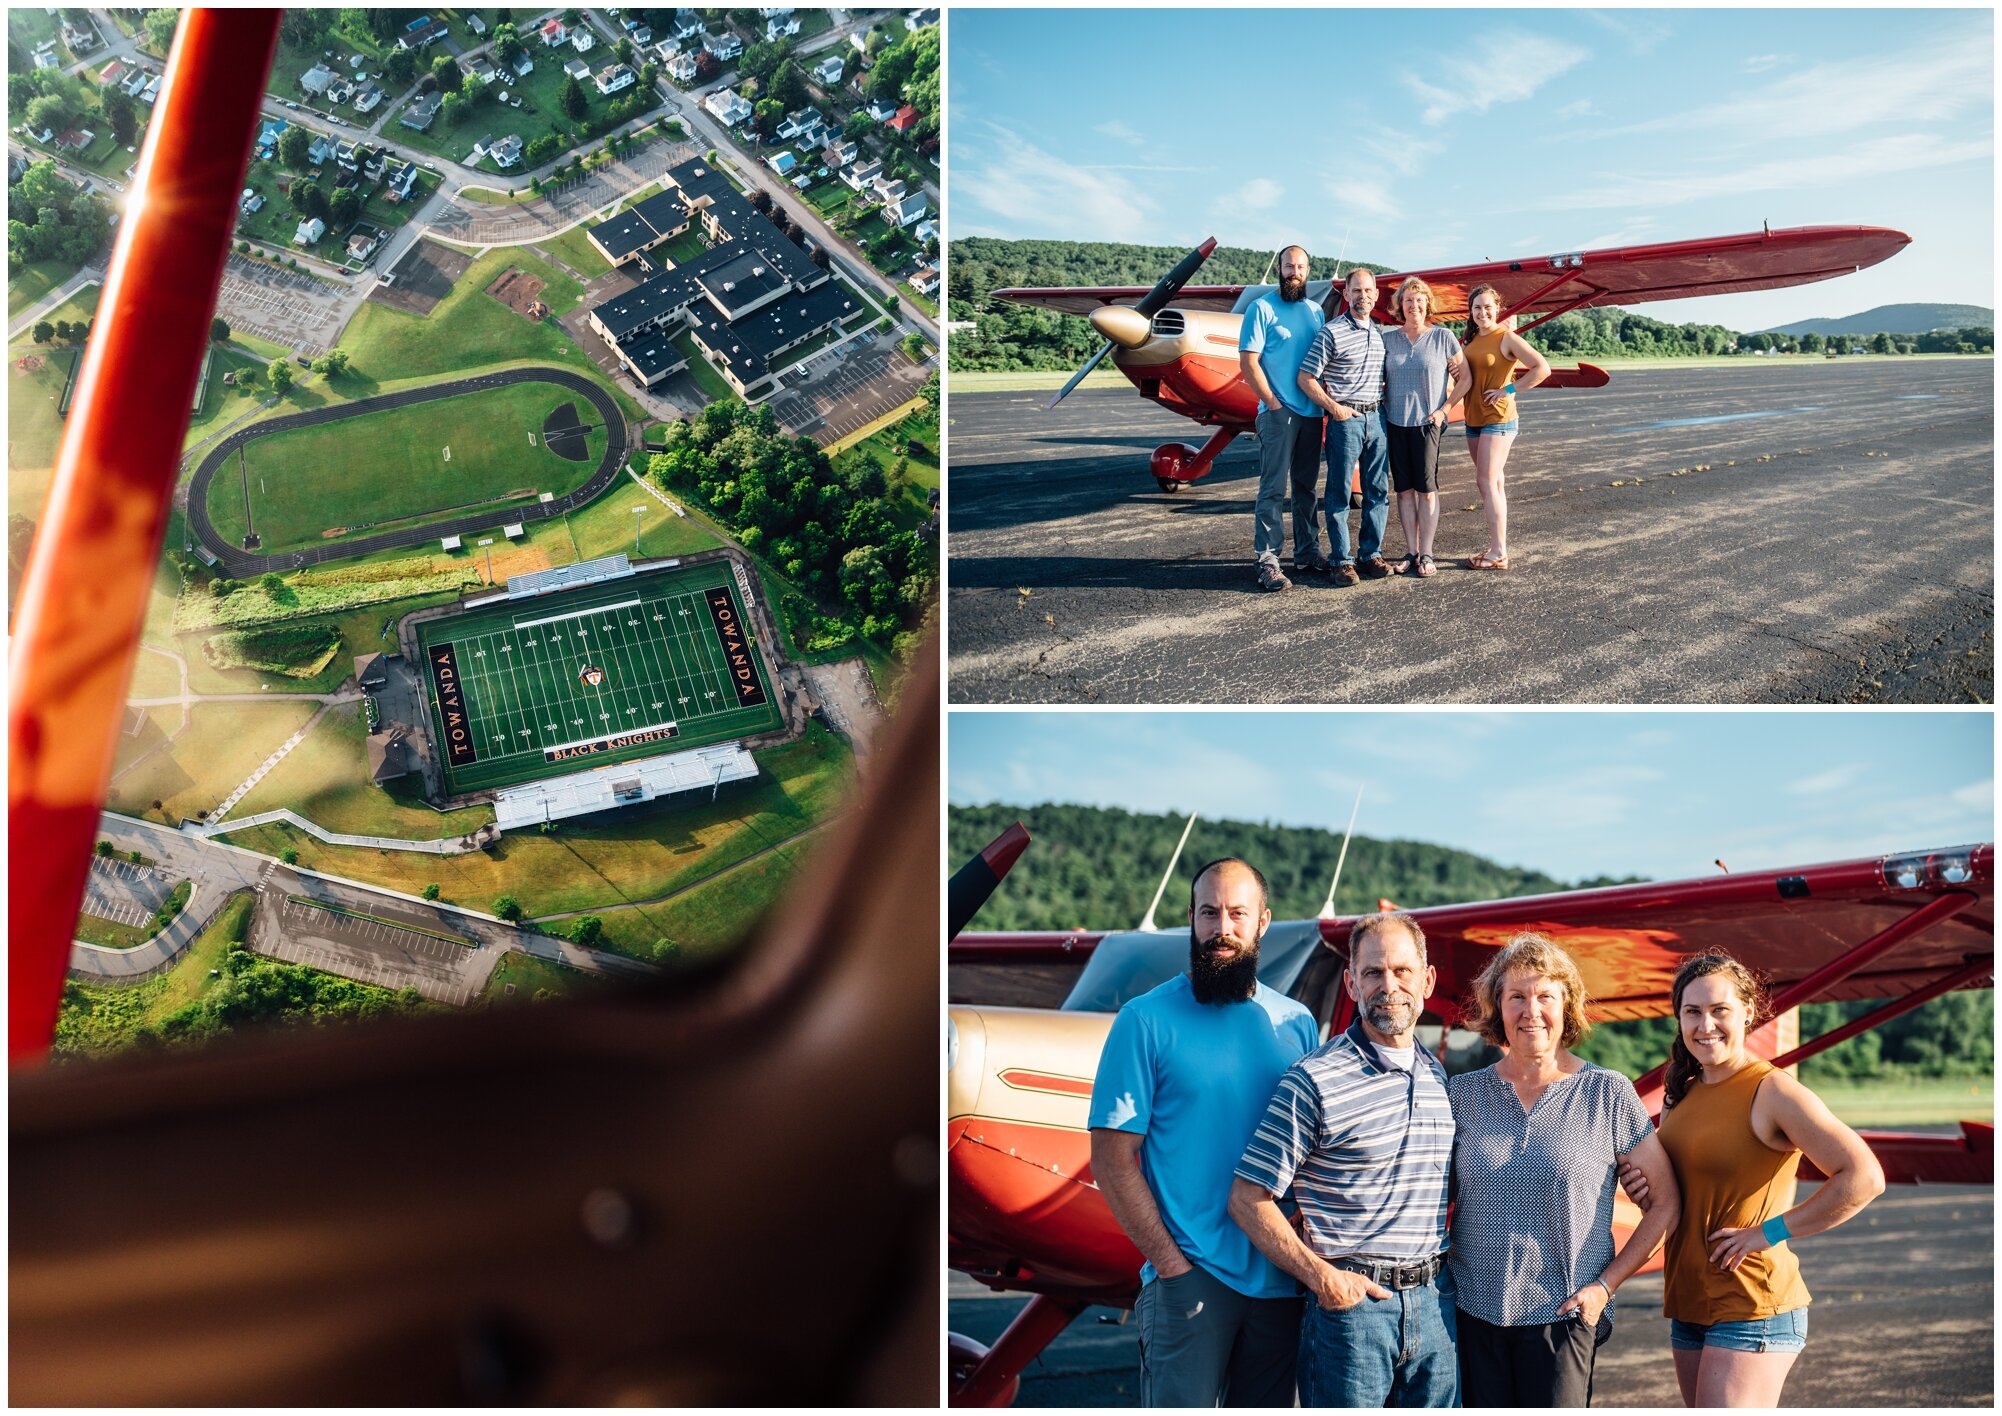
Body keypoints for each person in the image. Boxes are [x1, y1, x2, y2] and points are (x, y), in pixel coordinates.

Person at [1087, 857, 1320, 1406]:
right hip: (1191, 1282)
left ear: (1263, 921)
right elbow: (1111, 1160)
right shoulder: (1144, 1020)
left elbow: (1313, 1154)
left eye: (1238, 914)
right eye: (1210, 913)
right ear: (1191, 917)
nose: (1223, 929)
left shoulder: (1297, 1023)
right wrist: (1172, 1268)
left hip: (1281, 1280)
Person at [1229, 912, 1456, 1406]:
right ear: (1351, 983)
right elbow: (1248, 1199)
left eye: (1402, 971)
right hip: (1352, 1312)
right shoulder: (1312, 1079)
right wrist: (1322, 1278)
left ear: (1428, 980)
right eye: (1373, 973)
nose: (1389, 985)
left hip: (1436, 1308)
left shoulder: (1439, 1078)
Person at [1447, 933, 1681, 1407]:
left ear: (1567, 1006)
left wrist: (1604, 1287)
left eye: (1545, 996)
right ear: (1498, 1008)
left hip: (1566, 1315)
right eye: (1516, 997)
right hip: (1472, 1313)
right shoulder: (1461, 1095)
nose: (1531, 1010)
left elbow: (1666, 1203)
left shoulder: (1608, 1093)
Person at [1651, 951, 1885, 1408]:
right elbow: (1689, 1193)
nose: (1706, 1025)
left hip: (1752, 1305)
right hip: (1689, 1304)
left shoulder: (1772, 1090)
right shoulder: (1681, 1093)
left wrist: (1769, 1232)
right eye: (1692, 1012)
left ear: (1748, 1013)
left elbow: (1864, 1177)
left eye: (1720, 1011)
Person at [1238, 245, 1328, 593]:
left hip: (1312, 412)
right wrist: (1272, 403)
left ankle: (1307, 551)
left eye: (1301, 267)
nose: (1295, 272)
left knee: (1306, 488)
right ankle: (1268, 559)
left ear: (1308, 271)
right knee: (1273, 487)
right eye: (1289, 266)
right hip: (1279, 413)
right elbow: (1249, 361)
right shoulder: (1260, 307)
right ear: (1279, 268)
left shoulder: (1315, 311)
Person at [1296, 269, 1391, 586]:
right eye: (1356, 290)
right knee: (1338, 493)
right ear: (1347, 294)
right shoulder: (1331, 332)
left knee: (1377, 491)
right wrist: (1335, 409)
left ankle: (1370, 554)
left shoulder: (1380, 334)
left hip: (1377, 418)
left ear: (1376, 295)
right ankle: (1341, 560)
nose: (1363, 295)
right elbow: (1306, 377)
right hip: (1346, 421)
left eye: (1368, 290)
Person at [1451, 285, 1551, 570]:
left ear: (1497, 309)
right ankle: (1497, 546)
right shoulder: (1469, 341)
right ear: (1470, 312)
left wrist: (1508, 389)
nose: (1482, 313)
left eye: (1487, 307)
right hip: (1474, 418)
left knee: (1486, 481)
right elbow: (1467, 378)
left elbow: (1542, 368)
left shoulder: (1506, 337)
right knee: (1493, 483)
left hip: (1499, 419)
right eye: (1477, 308)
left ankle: (1498, 552)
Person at [1379, 277, 1464, 578]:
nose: (1414, 305)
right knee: (1404, 490)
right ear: (1399, 305)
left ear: (1428, 303)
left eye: (1419, 299)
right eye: (1408, 300)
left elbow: (1465, 378)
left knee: (1426, 490)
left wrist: (1445, 409)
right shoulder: (1388, 339)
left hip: (1428, 423)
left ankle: (1427, 552)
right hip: (1394, 421)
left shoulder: (1443, 337)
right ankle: (1410, 552)